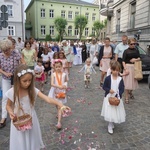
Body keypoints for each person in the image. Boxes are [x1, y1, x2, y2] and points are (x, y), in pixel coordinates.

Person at [6, 64, 70, 150]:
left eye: (29, 80)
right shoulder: (13, 91)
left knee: (32, 139)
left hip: (31, 119)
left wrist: (60, 104)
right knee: (20, 141)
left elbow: (47, 98)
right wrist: (10, 112)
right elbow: (8, 106)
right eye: (24, 81)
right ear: (18, 80)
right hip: (18, 119)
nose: (27, 83)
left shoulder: (32, 90)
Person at [0, 39, 24, 128]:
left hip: (16, 78)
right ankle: (3, 118)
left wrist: (19, 71)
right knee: (5, 97)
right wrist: (5, 73)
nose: (6, 52)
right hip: (6, 78)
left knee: (16, 96)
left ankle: (16, 115)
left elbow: (23, 62)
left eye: (7, 50)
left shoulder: (16, 53)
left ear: (11, 48)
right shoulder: (0, 56)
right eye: (4, 50)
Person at [101, 61, 126, 134]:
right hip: (109, 97)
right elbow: (104, 87)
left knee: (115, 110)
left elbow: (122, 88)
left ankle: (112, 122)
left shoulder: (120, 79)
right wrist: (109, 90)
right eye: (114, 70)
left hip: (116, 98)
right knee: (110, 111)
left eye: (117, 70)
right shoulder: (108, 78)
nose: (115, 72)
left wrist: (119, 94)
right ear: (111, 70)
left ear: (119, 70)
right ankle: (110, 124)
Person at [48, 59, 68, 129]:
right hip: (55, 91)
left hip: (62, 91)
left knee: (60, 107)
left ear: (62, 66)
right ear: (54, 67)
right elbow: (52, 83)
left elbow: (65, 81)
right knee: (56, 105)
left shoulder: (64, 74)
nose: (58, 68)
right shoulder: (53, 74)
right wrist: (58, 86)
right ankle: (58, 112)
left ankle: (59, 122)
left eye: (59, 66)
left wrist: (65, 85)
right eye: (56, 67)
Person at [122, 38, 140, 104]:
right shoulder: (126, 51)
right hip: (128, 67)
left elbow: (139, 58)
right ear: (128, 44)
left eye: (134, 44)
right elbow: (123, 61)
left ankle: (130, 92)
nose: (133, 45)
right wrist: (125, 68)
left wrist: (135, 60)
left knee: (133, 83)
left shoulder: (136, 50)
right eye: (131, 44)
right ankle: (126, 97)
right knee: (127, 84)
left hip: (134, 68)